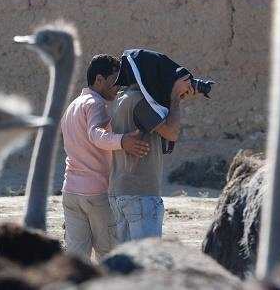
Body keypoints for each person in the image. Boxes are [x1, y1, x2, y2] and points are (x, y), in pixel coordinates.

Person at [61, 54, 150, 261]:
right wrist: (122, 141)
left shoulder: (73, 106)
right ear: (99, 79)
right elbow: (95, 134)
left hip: (71, 192)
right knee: (108, 256)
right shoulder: (95, 103)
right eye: (114, 81)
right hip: (97, 193)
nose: (118, 87)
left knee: (76, 260)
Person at [108, 71, 195, 243]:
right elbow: (171, 133)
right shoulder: (139, 100)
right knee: (146, 263)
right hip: (140, 194)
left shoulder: (120, 99)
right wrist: (175, 99)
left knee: (125, 265)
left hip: (119, 192)